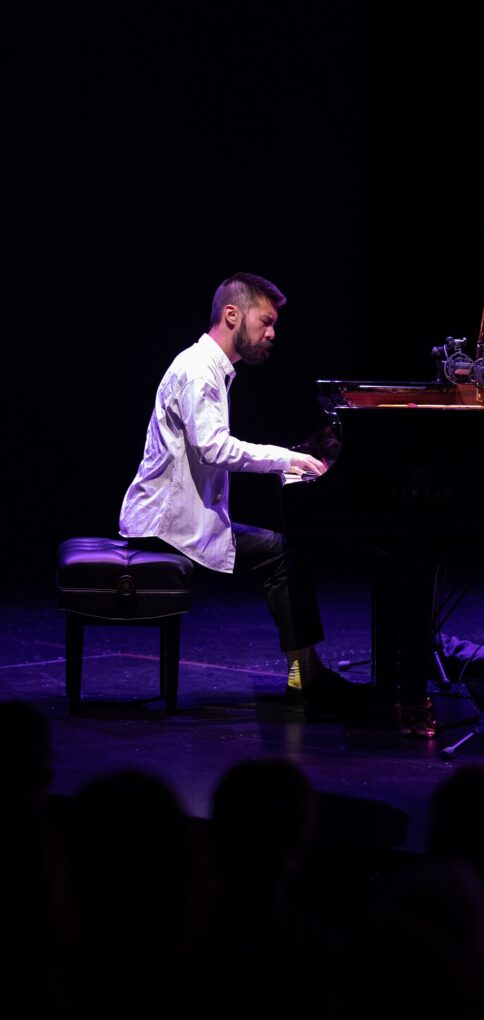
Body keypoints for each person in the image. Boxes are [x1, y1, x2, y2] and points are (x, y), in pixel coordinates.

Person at [119, 271, 348, 713]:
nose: (271, 333)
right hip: (164, 526)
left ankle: (306, 669)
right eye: (265, 321)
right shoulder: (198, 372)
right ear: (231, 315)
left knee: (282, 551)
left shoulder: (208, 368)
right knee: (284, 554)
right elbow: (212, 446)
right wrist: (285, 459)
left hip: (174, 519)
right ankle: (306, 674)